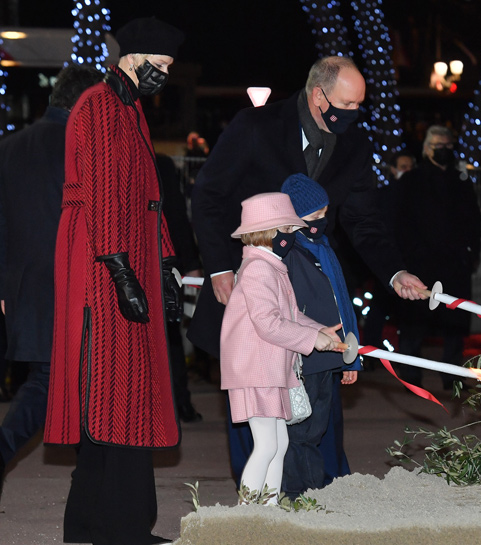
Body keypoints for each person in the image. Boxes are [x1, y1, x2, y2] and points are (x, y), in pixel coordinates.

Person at [189, 55, 426, 483]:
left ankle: (322, 484)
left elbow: (362, 219)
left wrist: (395, 272)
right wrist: (219, 268)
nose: (355, 114)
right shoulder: (255, 127)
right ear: (319, 95)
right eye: (348, 105)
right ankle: (260, 499)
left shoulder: (353, 145)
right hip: (254, 276)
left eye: (359, 106)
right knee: (259, 401)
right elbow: (209, 196)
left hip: (313, 286)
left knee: (318, 390)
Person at [44, 17, 185, 545]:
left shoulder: (131, 108)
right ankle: (114, 528)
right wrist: (121, 272)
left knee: (123, 393)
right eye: (161, 65)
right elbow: (102, 193)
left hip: (124, 258)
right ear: (133, 58)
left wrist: (167, 264)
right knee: (110, 390)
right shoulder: (99, 105)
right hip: (101, 266)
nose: (163, 76)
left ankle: (94, 527)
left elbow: (150, 195)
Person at [0, 65, 103, 498]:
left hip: (24, 288)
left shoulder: (8, 147)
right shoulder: (88, 147)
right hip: (76, 282)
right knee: (61, 383)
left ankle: (89, 505)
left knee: (72, 385)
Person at [220, 192, 343, 504]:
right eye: (287, 230)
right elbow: (268, 323)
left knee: (279, 442)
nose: (292, 235)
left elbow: (291, 315)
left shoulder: (271, 265)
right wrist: (312, 339)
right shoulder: (259, 270)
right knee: (267, 445)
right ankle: (248, 509)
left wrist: (318, 330)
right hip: (256, 370)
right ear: (268, 232)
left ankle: (269, 506)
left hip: (268, 368)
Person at [279, 173, 361, 497]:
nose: (322, 221)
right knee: (301, 428)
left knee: (317, 427)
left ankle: (311, 487)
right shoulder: (288, 253)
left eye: (325, 214)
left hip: (331, 353)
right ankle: (301, 490)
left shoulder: (324, 247)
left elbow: (343, 301)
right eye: (314, 217)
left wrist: (351, 358)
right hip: (305, 355)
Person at [392, 125, 481, 388]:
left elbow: (473, 220)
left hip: (455, 263)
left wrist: (472, 252)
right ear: (426, 148)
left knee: (455, 318)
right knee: (414, 320)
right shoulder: (411, 181)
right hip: (421, 262)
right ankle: (411, 373)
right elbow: (400, 222)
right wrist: (407, 257)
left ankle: (452, 374)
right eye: (437, 146)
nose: (443, 151)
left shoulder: (461, 181)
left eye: (447, 146)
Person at [156, 153, 203, 423]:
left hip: (159, 261)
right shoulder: (158, 162)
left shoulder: (159, 163)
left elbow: (175, 215)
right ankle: (177, 404)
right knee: (169, 335)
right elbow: (176, 215)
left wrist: (190, 262)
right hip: (155, 260)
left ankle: (178, 402)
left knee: (170, 335)